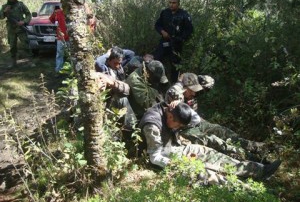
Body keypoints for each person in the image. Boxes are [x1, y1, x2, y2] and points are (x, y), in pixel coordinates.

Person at [140, 102, 281, 184]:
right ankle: (247, 190)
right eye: (176, 125)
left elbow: (187, 116)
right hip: (167, 159)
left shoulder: (170, 108)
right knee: (209, 175)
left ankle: (260, 170)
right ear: (170, 116)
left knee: (213, 155)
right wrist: (177, 164)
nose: (176, 128)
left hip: (177, 148)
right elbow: (155, 157)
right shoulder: (152, 125)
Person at [166, 73, 267, 161]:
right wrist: (179, 100)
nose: (195, 93)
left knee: (222, 131)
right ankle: (251, 158)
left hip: (196, 121)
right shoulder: (177, 92)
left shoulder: (192, 92)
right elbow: (176, 94)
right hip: (183, 129)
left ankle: (257, 148)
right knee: (214, 141)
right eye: (192, 90)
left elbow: (194, 112)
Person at [95, 46, 137, 130]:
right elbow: (97, 62)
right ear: (109, 60)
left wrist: (118, 52)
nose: (118, 66)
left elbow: (131, 54)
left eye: (120, 63)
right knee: (123, 99)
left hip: (122, 89)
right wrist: (107, 54)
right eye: (115, 63)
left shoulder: (119, 66)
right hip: (111, 99)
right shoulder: (103, 68)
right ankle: (130, 126)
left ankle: (132, 125)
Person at [154, 0, 193, 83]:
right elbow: (157, 25)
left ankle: (174, 84)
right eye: (170, 2)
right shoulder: (165, 12)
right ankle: (157, 81)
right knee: (156, 59)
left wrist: (180, 39)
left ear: (178, 4)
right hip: (164, 41)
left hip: (176, 44)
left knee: (175, 65)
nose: (171, 5)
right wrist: (162, 32)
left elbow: (189, 30)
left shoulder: (184, 15)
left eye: (174, 3)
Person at [0, 0, 32, 68]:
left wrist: (24, 22)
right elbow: (1, 17)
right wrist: (4, 12)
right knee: (12, 46)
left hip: (21, 28)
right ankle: (13, 62)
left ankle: (30, 61)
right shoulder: (4, 6)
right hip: (11, 29)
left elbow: (28, 14)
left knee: (25, 44)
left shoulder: (20, 5)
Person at [49, 5, 69, 73]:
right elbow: (51, 19)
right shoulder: (58, 13)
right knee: (60, 54)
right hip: (60, 38)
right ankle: (59, 70)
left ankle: (70, 71)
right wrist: (54, 13)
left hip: (70, 38)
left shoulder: (71, 13)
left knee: (71, 54)